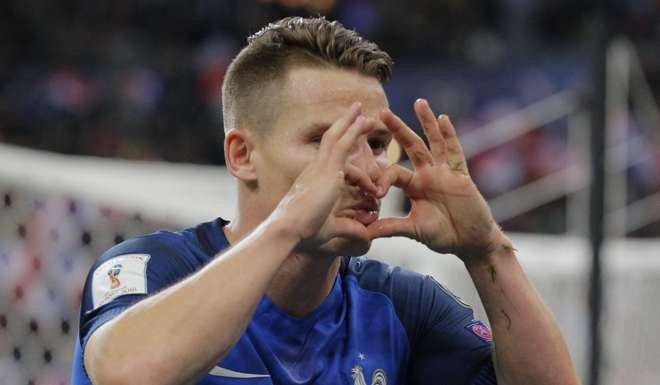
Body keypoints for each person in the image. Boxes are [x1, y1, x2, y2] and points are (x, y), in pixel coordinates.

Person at [71, 16, 579, 385]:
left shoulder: (401, 307)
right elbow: (129, 374)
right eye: (326, 141)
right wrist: (290, 221)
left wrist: (488, 250)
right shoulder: (151, 269)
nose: (364, 170)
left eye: (376, 145)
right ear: (243, 155)